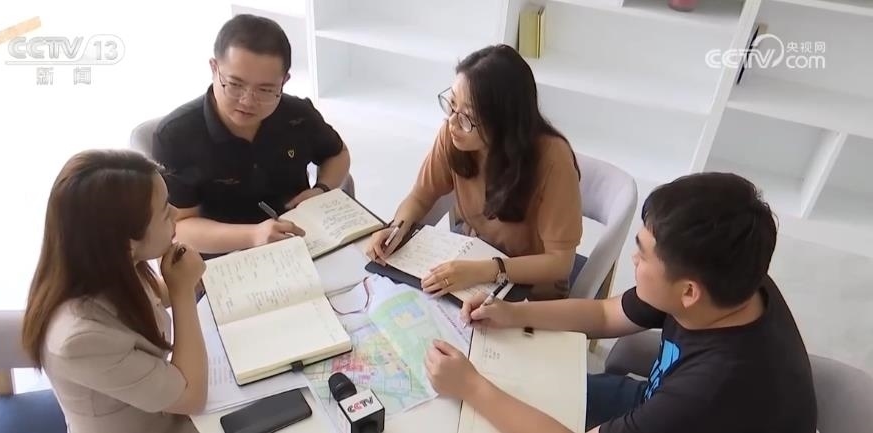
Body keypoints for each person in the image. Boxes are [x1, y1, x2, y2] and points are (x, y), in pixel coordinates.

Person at [424, 172, 817, 433]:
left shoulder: (709, 391)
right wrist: (513, 312)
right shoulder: (727, 279)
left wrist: (472, 387)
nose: (633, 260)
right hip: (654, 399)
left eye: (643, 254)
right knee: (514, 392)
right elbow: (604, 313)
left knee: (485, 402)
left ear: (689, 292)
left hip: (679, 413)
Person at [366, 44, 582, 300]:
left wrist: (484, 271)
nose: (452, 122)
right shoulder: (452, 135)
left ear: (504, 122)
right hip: (473, 259)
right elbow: (421, 196)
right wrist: (396, 228)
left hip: (531, 288)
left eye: (467, 116)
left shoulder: (553, 161)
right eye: (451, 104)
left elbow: (559, 262)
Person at [22, 150, 208, 433]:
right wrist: (183, 293)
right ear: (126, 241)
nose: (175, 213)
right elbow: (192, 396)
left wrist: (194, 279)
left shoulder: (102, 267)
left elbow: (148, 298)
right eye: (164, 210)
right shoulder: (81, 339)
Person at [153, 15, 350, 256]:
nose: (248, 101)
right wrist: (254, 235)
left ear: (284, 81)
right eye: (235, 85)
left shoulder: (298, 115)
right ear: (214, 68)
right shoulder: (176, 135)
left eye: (265, 89)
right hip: (222, 253)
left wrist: (321, 189)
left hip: (299, 240)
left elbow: (338, 154)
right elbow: (180, 226)